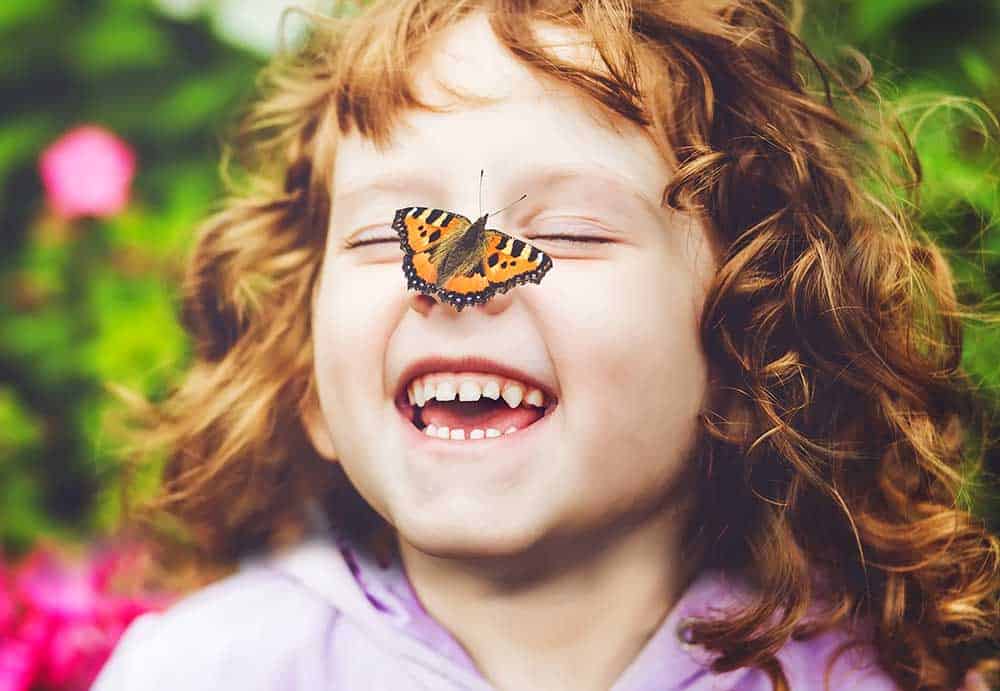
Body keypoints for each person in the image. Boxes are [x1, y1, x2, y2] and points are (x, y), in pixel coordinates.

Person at [92, 1, 999, 689]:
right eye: (389, 236)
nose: (447, 280)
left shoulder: (845, 677)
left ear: (745, 356)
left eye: (565, 232)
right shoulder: (203, 669)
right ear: (304, 380)